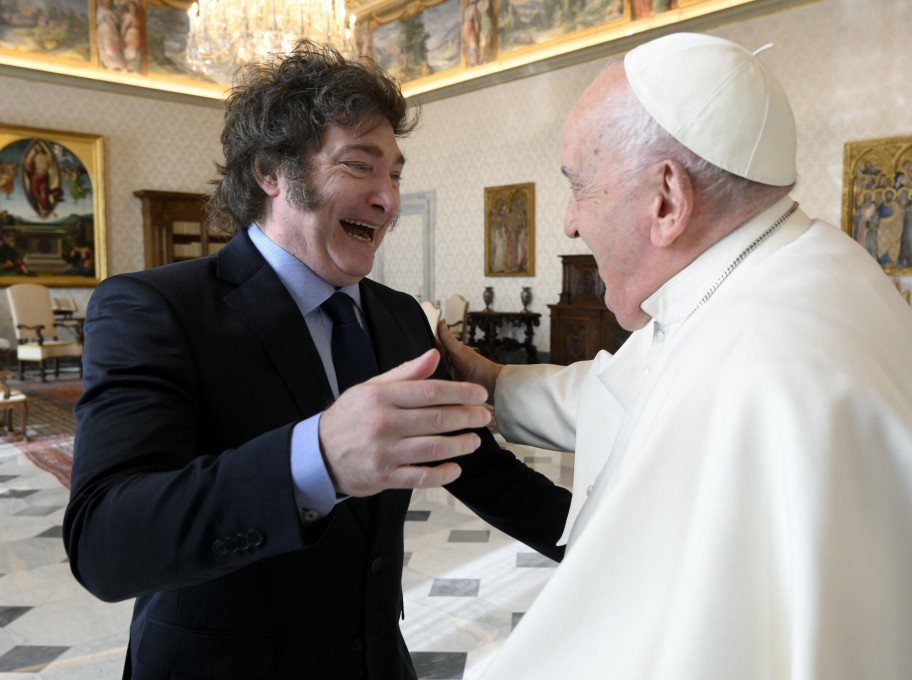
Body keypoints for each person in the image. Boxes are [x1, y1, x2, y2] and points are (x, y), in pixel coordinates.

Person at [439, 32, 912, 680]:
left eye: (580, 187)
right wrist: (484, 377)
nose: (571, 222)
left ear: (666, 199)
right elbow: (622, 393)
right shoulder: (802, 268)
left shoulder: (755, 361)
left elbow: (646, 641)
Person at [63, 41, 570, 678]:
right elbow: (106, 543)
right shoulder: (154, 309)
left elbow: (486, 474)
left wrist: (613, 546)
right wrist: (318, 459)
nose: (389, 199)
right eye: (361, 166)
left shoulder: (400, 318)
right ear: (271, 172)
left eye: (395, 174)